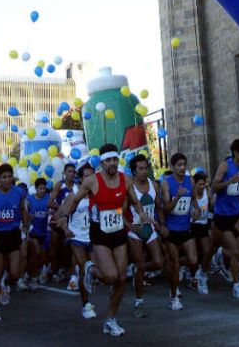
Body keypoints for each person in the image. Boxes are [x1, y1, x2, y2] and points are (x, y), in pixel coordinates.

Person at [55, 143, 155, 336]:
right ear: (101, 162)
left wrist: (142, 214)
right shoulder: (92, 181)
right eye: (108, 160)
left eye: (115, 159)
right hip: (99, 235)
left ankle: (110, 320)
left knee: (120, 280)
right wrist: (63, 217)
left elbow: (135, 201)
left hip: (118, 234)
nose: (112, 163)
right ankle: (89, 269)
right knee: (110, 276)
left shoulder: (126, 180)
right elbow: (74, 201)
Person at [204, 139, 239, 299]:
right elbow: (214, 186)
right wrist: (229, 182)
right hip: (222, 215)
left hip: (237, 213)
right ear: (236, 153)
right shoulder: (225, 165)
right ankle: (202, 273)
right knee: (213, 247)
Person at [53, 163, 98, 319]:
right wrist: (64, 228)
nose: (90, 179)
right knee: (84, 267)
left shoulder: (96, 194)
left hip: (92, 237)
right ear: (80, 179)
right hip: (76, 237)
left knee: (96, 271)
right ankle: (86, 305)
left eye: (93, 176)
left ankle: (83, 280)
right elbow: (59, 214)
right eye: (87, 176)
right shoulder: (74, 195)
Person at [123, 154, 164, 317]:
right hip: (136, 231)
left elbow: (159, 206)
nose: (144, 171)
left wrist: (161, 223)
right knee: (140, 264)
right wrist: (129, 227)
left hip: (150, 228)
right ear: (133, 171)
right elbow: (120, 211)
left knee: (159, 262)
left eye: (146, 168)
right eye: (140, 168)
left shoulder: (154, 185)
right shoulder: (130, 188)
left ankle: (137, 271)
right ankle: (139, 302)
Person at [0, 164, 29, 322]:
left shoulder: (19, 192)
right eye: (4, 177)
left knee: (14, 273)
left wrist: (25, 226)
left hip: (13, 234)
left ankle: (6, 283)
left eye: (9, 176)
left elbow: (23, 209)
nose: (7, 180)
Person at [160, 153, 199, 310]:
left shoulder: (190, 181)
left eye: (184, 164)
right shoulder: (166, 183)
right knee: (174, 264)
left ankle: (171, 270)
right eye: (179, 165)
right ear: (173, 167)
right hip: (171, 230)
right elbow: (166, 209)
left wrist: (196, 210)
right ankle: (173, 295)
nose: (182, 167)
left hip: (185, 228)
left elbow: (194, 200)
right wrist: (177, 197)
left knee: (193, 260)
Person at [191, 171, 213, 295]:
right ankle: (192, 275)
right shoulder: (191, 194)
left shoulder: (206, 192)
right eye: (199, 184)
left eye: (203, 184)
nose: (201, 186)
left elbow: (212, 201)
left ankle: (201, 273)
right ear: (195, 184)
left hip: (204, 225)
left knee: (206, 250)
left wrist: (208, 187)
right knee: (193, 254)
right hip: (193, 225)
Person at [26, 179, 51, 287]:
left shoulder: (48, 198)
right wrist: (28, 218)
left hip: (44, 232)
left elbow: (55, 209)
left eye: (44, 189)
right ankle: (33, 276)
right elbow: (24, 212)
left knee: (41, 254)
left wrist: (52, 212)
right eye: (40, 188)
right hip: (33, 231)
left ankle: (40, 272)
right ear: (36, 189)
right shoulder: (30, 199)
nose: (42, 191)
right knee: (36, 253)